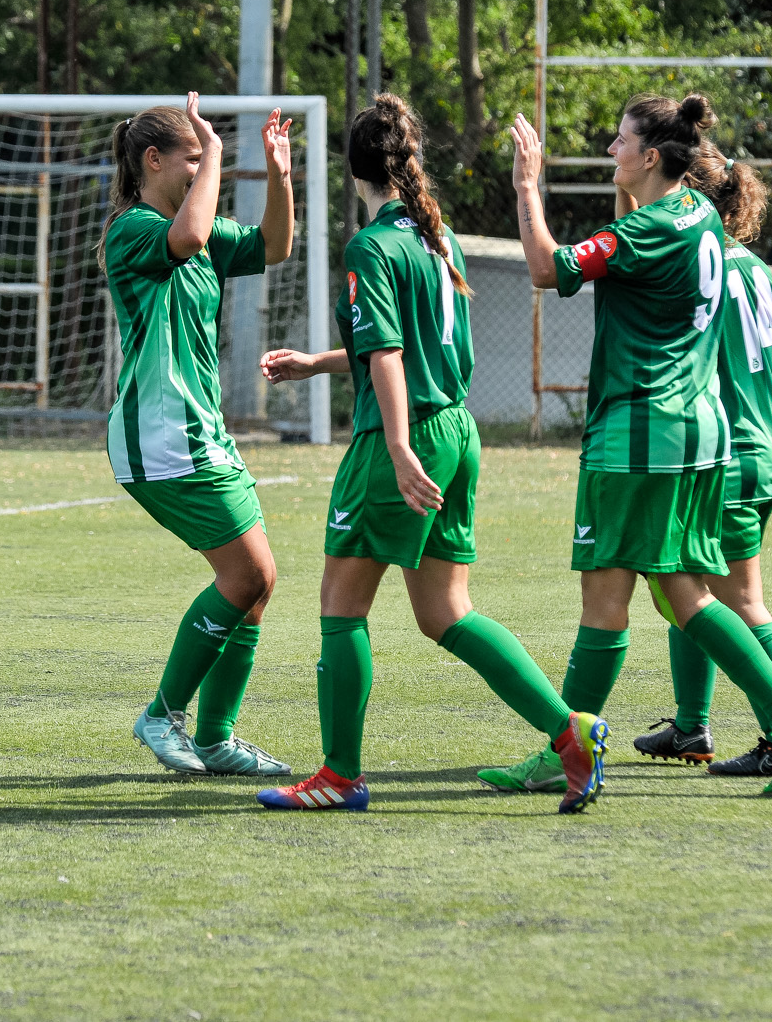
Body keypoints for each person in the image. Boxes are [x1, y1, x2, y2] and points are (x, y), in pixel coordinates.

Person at [253, 94, 609, 814]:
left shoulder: (370, 247)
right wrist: (323, 363)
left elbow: (387, 352)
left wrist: (395, 444)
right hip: (454, 428)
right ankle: (570, 730)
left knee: (339, 607)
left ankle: (341, 775)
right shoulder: (431, 240)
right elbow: (411, 347)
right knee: (446, 612)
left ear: (352, 168)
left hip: (405, 436)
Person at [477, 92, 772, 798]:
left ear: (649, 157)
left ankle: (566, 750)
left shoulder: (649, 233)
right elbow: (626, 239)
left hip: (639, 435)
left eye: (618, 141)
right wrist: (621, 189)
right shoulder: (697, 214)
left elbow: (549, 270)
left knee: (606, 600)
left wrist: (526, 187)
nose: (609, 149)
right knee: (685, 593)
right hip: (696, 432)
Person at [627, 146, 772, 776]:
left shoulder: (696, 269)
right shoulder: (754, 270)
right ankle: (690, 727)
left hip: (727, 454)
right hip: (767, 449)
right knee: (684, 579)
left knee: (731, 598)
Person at [102, 94, 295, 778]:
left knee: (258, 584)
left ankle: (215, 738)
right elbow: (182, 238)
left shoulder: (202, 229)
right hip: (161, 435)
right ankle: (164, 713)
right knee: (246, 574)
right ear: (154, 161)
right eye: (192, 156)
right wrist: (216, 152)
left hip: (200, 433)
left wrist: (279, 173)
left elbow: (275, 245)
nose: (204, 168)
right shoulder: (132, 230)